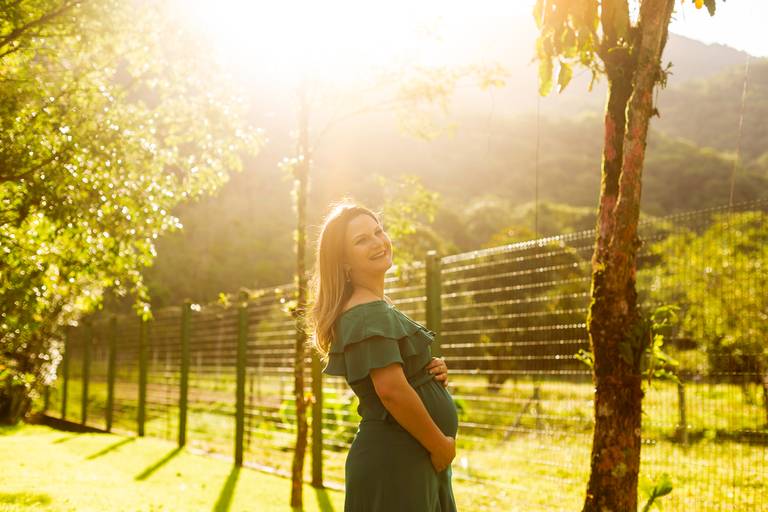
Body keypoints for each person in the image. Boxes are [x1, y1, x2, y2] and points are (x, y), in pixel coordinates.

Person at [307, 199, 459, 512]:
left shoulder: (375, 308)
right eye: (362, 240)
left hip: (411, 458)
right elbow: (391, 391)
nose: (378, 242)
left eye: (378, 231)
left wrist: (430, 370)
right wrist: (439, 445)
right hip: (399, 462)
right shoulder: (365, 314)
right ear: (344, 262)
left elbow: (399, 375)